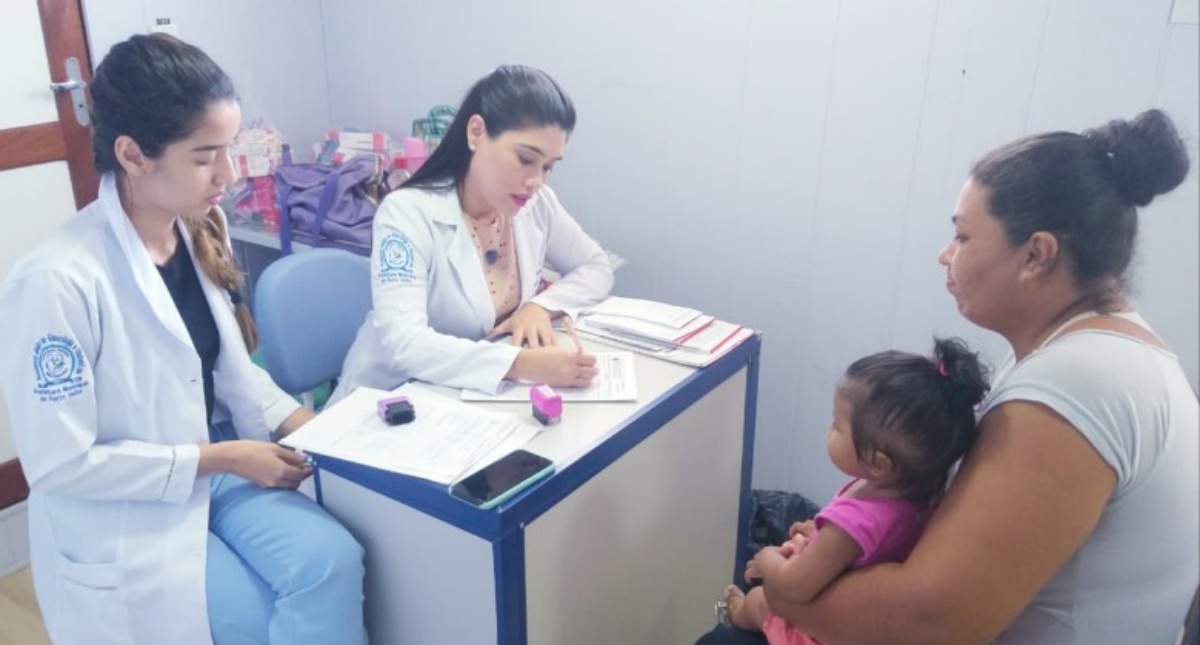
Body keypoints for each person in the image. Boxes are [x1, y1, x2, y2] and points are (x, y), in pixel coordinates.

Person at [763, 109, 1199, 644]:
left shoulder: (1077, 387)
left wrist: (782, 593)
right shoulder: (1113, 350)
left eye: (963, 236)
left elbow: (926, 622)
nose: (945, 255)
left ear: (1036, 254)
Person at [0, 34, 366, 644]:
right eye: (204, 157)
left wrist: (319, 429)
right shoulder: (57, 281)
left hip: (215, 463)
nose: (229, 175)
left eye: (229, 150)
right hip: (126, 505)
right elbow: (62, 464)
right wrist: (222, 459)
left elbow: (229, 371)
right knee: (248, 619)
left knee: (331, 562)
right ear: (133, 154)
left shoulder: (198, 225)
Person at [331, 65, 614, 402]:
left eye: (548, 166)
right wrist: (520, 364)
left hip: (468, 399)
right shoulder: (406, 213)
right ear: (476, 132)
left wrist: (540, 306)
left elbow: (596, 267)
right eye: (526, 158)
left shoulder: (537, 204)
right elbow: (404, 343)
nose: (537, 180)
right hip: (389, 397)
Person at [701, 338, 987, 645]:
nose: (829, 429)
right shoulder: (918, 494)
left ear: (877, 463)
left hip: (817, 636)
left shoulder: (852, 523)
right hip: (861, 617)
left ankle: (735, 610)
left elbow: (793, 587)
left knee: (760, 600)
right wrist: (817, 534)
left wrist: (766, 560)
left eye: (837, 425)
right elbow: (871, 547)